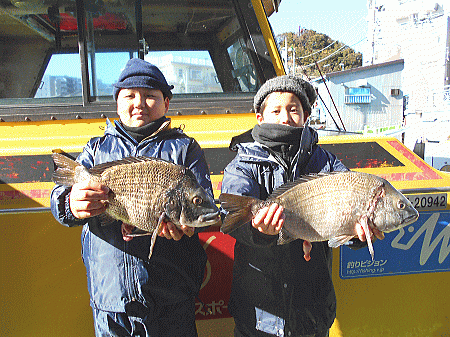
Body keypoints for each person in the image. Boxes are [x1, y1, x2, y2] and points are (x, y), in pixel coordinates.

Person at [51, 58, 213, 337]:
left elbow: (205, 204)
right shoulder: (96, 148)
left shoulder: (186, 149)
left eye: (150, 96)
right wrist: (70, 203)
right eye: (129, 95)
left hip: (172, 297)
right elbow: (60, 199)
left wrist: (187, 227)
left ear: (166, 103)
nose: (139, 103)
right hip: (111, 299)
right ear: (117, 103)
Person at [220, 75, 383, 337]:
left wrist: (359, 235)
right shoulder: (242, 164)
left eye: (293, 109)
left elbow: (353, 210)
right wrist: (259, 232)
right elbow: (231, 219)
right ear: (260, 118)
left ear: (305, 115)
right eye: (275, 110)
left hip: (313, 312)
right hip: (258, 314)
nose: (285, 117)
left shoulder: (327, 163)